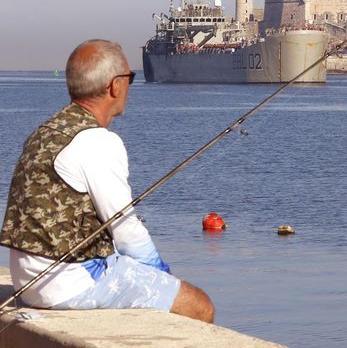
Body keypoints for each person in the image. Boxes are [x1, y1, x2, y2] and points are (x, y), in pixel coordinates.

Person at [0, 39, 214, 322]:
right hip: (67, 283)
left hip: (29, 280)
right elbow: (126, 231)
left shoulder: (45, 132)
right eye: (130, 78)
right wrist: (162, 278)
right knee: (199, 305)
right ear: (115, 85)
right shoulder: (98, 142)